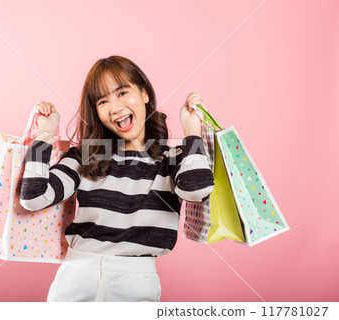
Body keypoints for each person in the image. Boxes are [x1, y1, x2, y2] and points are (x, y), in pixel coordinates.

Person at [19, 55, 214, 302]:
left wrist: (192, 133)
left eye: (122, 93)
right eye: (102, 101)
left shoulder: (173, 158)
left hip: (136, 283)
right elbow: (34, 197)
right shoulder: (85, 155)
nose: (114, 108)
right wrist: (45, 135)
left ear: (144, 93)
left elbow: (197, 190)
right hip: (75, 277)